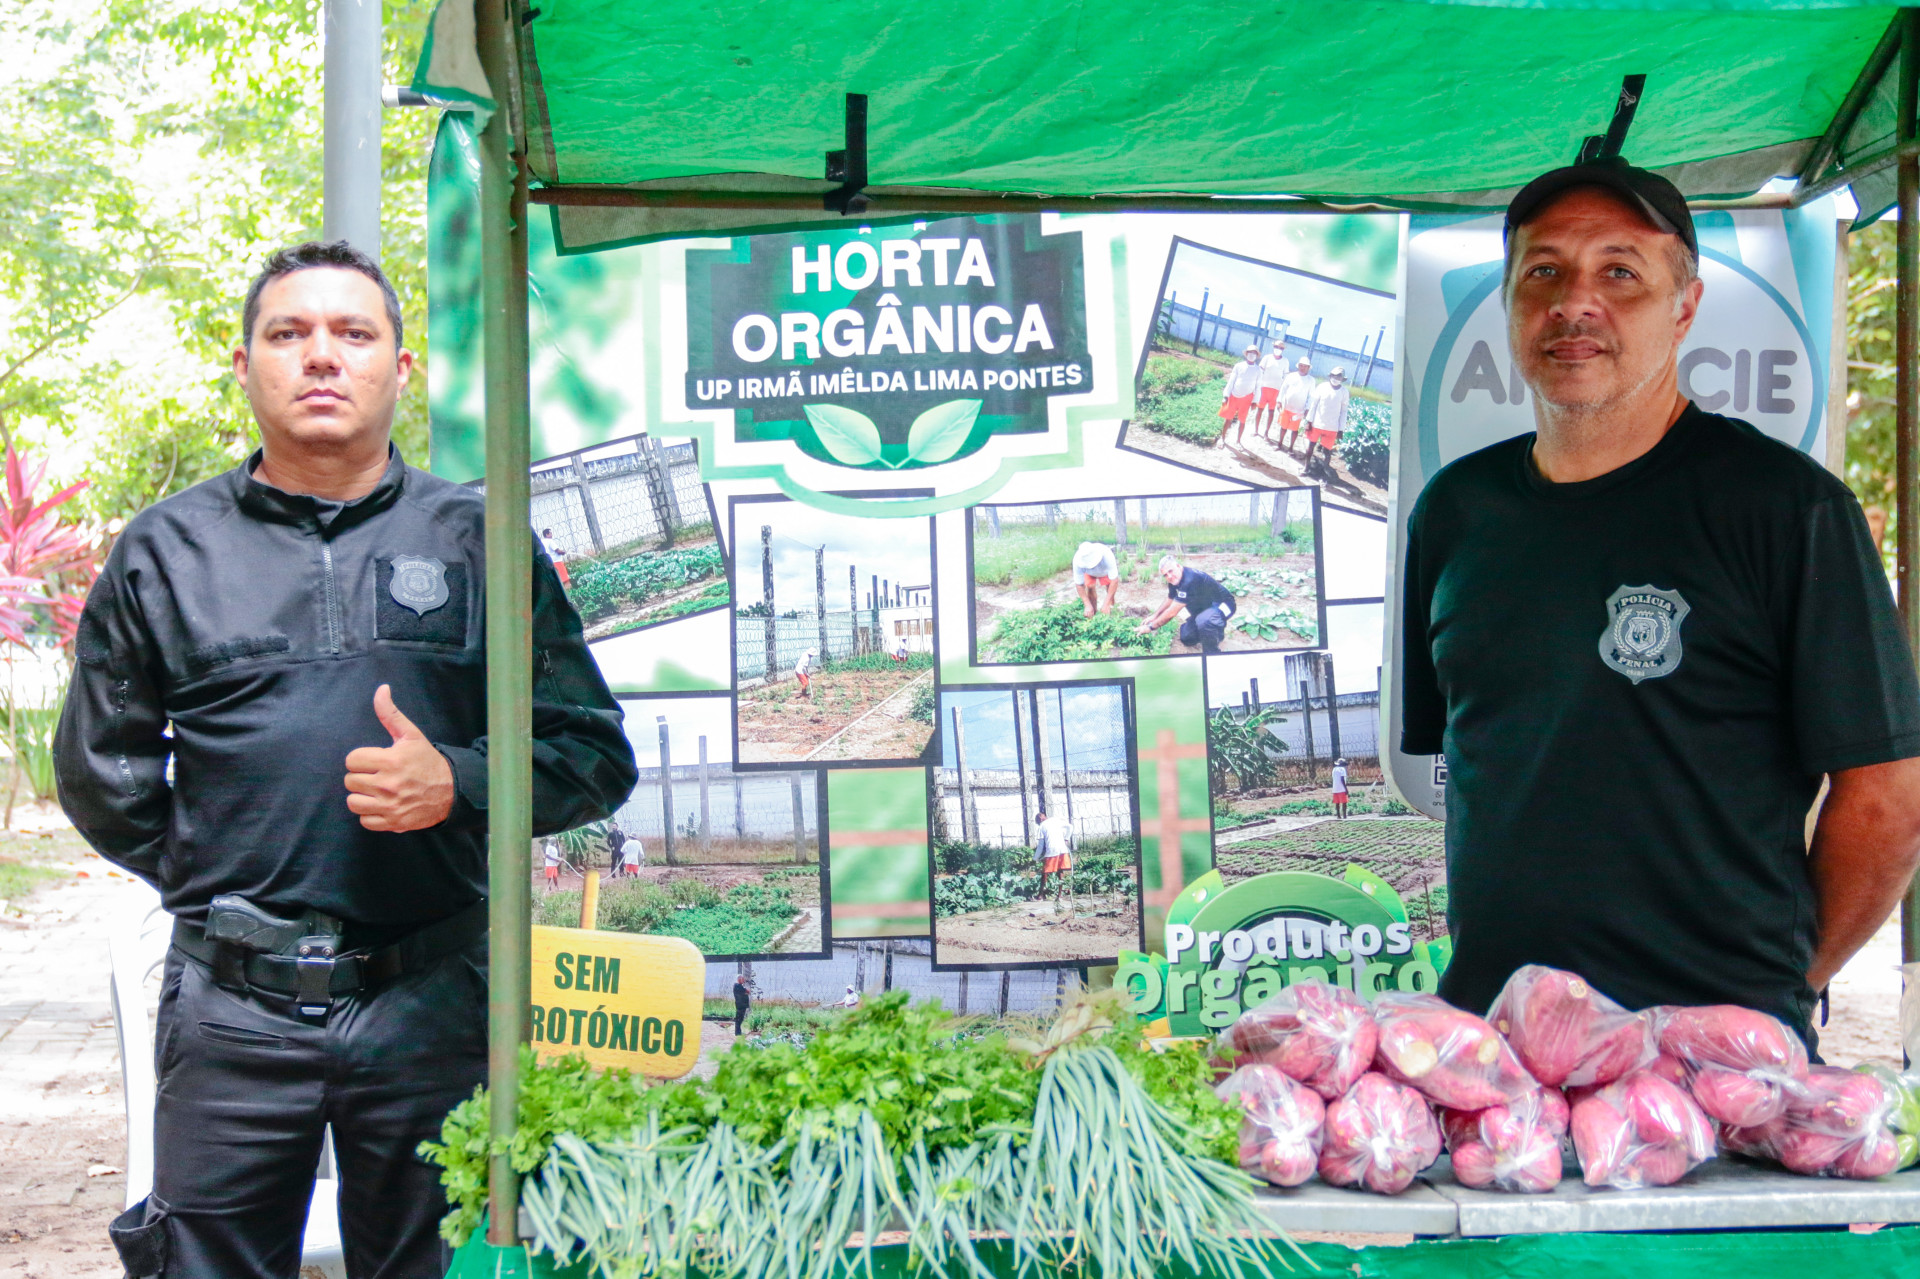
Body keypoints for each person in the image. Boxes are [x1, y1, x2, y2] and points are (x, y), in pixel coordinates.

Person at [54, 240, 637, 1279]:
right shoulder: (165, 550)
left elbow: (591, 753)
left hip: (431, 998)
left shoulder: (483, 539)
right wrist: (227, 874)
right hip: (230, 1010)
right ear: (246, 365)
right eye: (289, 333)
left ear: (399, 368)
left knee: (439, 1266)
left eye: (352, 333)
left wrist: (458, 779)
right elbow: (105, 772)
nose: (321, 356)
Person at [1399, 157, 1920, 1049]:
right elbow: (1471, 766)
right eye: (1544, 270)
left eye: (1621, 272)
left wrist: (1781, 986)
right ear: (1511, 303)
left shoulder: (1786, 509)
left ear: (1685, 305)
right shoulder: (1455, 510)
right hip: (1497, 1045)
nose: (1575, 302)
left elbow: (1887, 798)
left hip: (1711, 1049)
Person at [1137, 555, 1237, 655]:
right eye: (1165, 575)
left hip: (1225, 605)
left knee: (1205, 621)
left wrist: (1150, 627)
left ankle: (1212, 653)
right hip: (1205, 608)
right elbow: (1170, 598)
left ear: (1178, 566)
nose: (1169, 576)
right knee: (1187, 637)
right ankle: (1214, 632)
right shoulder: (1174, 581)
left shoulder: (1190, 579)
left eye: (1170, 571)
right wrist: (1155, 615)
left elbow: (1172, 612)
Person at [1302, 366, 1350, 479]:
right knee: (1310, 447)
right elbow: (1313, 405)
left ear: (1342, 379)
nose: (1336, 378)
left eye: (1339, 376)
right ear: (1330, 376)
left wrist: (1341, 429)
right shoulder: (1322, 387)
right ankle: (1306, 467)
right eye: (1334, 375)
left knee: (1327, 452)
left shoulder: (1344, 392)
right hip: (1317, 424)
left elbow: (1344, 412)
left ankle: (1324, 474)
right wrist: (1308, 421)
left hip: (1332, 428)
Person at [1215, 345, 1264, 448]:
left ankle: (1238, 441)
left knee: (1242, 420)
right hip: (1234, 395)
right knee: (1228, 419)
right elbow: (1231, 381)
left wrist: (1255, 401)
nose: (1252, 355)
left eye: (1254, 353)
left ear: (1257, 356)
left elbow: (1258, 387)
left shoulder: (1258, 370)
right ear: (1246, 354)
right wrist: (1226, 395)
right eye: (1250, 352)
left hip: (1247, 398)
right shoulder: (1238, 366)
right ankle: (1222, 438)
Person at [1034, 806, 1076, 902]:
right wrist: (1066, 838)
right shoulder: (1056, 820)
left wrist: (1036, 858)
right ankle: (1060, 895)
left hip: (1051, 850)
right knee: (1060, 872)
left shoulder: (1041, 826)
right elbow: (1070, 826)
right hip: (1062, 849)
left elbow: (1040, 846)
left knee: (1045, 873)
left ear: (1040, 818)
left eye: (1038, 822)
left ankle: (1040, 896)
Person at [1253, 338, 1291, 440]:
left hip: (1276, 390)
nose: (1278, 349)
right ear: (1273, 347)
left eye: (1280, 348)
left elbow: (1286, 377)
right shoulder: (1267, 358)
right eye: (1276, 347)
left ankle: (1266, 433)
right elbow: (1260, 371)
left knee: (1271, 412)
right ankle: (1256, 430)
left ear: (1283, 349)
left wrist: (1283, 392)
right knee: (1260, 409)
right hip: (1264, 388)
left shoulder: (1285, 361)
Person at [1276, 357, 1316, 453]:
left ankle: (1290, 448)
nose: (1302, 368)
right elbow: (1283, 389)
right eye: (1301, 365)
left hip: (1299, 410)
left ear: (1308, 367)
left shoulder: (1311, 380)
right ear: (1298, 366)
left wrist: (1307, 409)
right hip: (1286, 406)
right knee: (1283, 427)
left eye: (1305, 366)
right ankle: (1279, 444)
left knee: (1294, 430)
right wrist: (1279, 401)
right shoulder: (1291, 376)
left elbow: (1311, 396)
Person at [1070, 541, 1120, 617]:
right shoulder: (1077, 561)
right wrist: (1087, 604)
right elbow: (1079, 585)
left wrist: (1106, 604)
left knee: (1110, 591)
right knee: (1090, 588)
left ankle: (1111, 611)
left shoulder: (1106, 554)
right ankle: (1093, 613)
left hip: (1104, 572)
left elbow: (1114, 581)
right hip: (1088, 573)